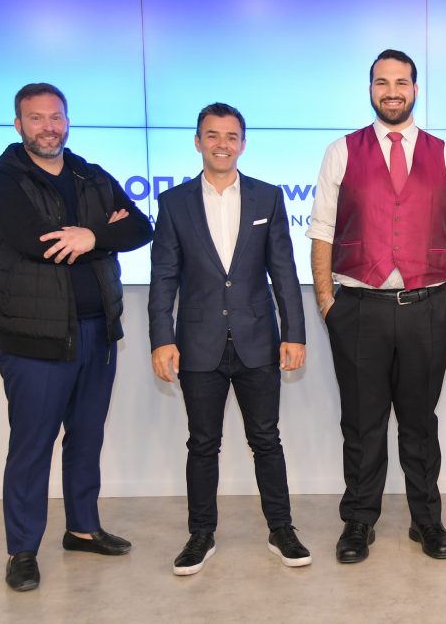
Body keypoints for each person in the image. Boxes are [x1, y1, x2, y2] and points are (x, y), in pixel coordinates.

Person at [0, 83, 153, 591]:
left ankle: (82, 528)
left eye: (55, 117)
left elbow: (140, 228)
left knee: (86, 436)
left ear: (67, 121)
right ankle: (21, 550)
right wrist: (101, 232)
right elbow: (38, 243)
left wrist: (92, 235)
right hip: (36, 339)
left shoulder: (89, 174)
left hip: (98, 333)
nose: (48, 127)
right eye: (36, 118)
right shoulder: (1, 181)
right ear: (18, 125)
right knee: (32, 446)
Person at [307, 49, 446, 563]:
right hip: (359, 308)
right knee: (362, 423)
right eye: (383, 82)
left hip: (428, 307)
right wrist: (328, 302)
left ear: (416, 90)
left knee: (420, 423)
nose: (392, 91)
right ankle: (359, 521)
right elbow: (322, 231)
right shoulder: (341, 151)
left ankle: (427, 521)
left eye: (402, 82)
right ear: (370, 89)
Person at [149, 103, 309, 575]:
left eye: (231, 136)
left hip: (258, 340)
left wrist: (294, 334)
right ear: (198, 141)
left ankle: (281, 529)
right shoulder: (174, 203)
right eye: (213, 135)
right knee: (203, 444)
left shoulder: (268, 198)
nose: (222, 144)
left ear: (243, 143)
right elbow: (164, 277)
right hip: (198, 344)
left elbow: (284, 272)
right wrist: (161, 338)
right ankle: (201, 534)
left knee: (267, 441)